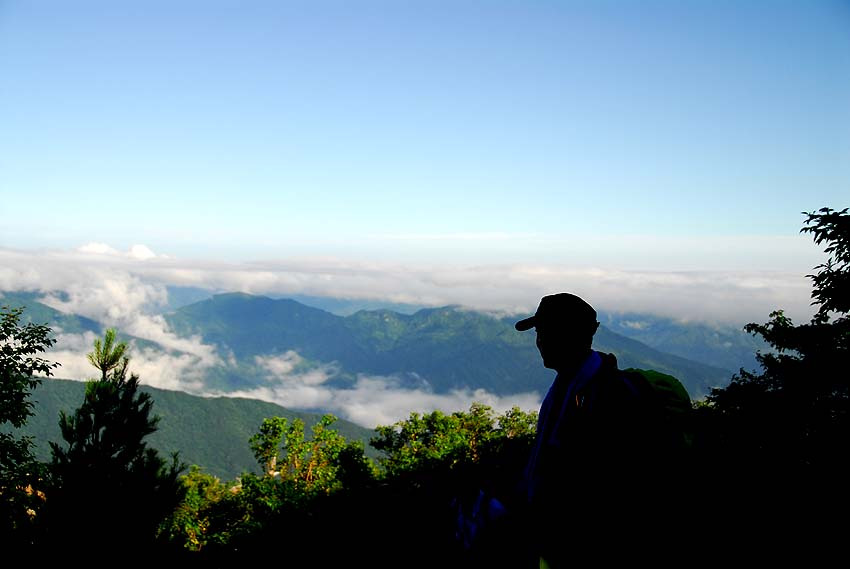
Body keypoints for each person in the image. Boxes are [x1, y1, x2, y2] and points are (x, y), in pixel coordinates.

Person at [514, 293, 673, 567]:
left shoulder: (606, 398)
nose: (539, 341)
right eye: (539, 332)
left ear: (572, 335)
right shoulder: (570, 387)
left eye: (547, 331)